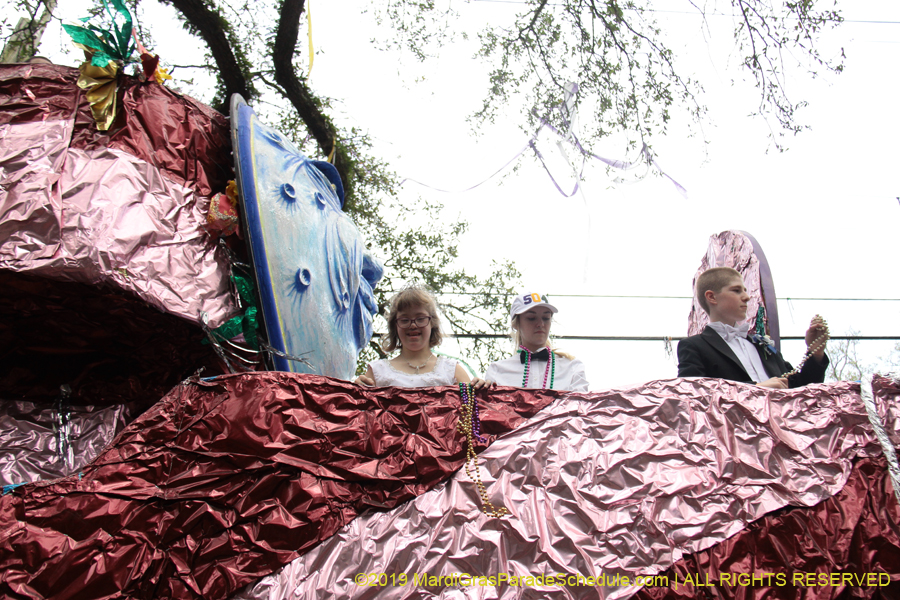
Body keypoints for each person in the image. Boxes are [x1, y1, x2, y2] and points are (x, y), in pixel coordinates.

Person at [677, 267, 829, 388]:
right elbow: (694, 396)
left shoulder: (761, 343)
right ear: (711, 297)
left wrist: (815, 353)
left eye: (745, 290)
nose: (747, 297)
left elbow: (801, 389)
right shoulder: (693, 346)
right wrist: (756, 389)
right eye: (736, 290)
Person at [354, 286, 471, 387]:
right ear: (395, 326)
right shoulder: (377, 373)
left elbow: (472, 409)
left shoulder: (452, 371)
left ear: (432, 323)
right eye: (405, 320)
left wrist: (481, 391)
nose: (413, 325)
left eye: (420, 319)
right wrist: (357, 393)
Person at [474, 292, 589, 392]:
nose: (540, 324)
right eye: (531, 318)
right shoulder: (497, 370)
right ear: (516, 324)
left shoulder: (573, 367)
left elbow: (580, 411)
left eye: (546, 318)